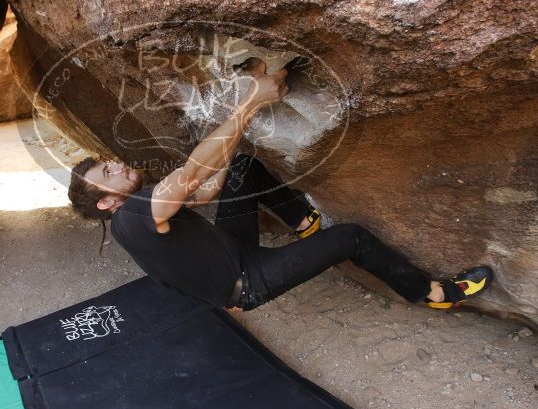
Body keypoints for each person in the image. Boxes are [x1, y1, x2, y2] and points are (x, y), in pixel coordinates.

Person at [68, 60, 492, 312]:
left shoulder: (137, 212)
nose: (117, 165)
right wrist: (250, 103)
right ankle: (433, 293)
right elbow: (193, 173)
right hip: (249, 280)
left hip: (232, 250)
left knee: (241, 168)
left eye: (108, 163)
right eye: (107, 174)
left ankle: (302, 221)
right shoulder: (134, 216)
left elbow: (206, 190)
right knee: (351, 238)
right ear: (105, 203)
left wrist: (232, 139)